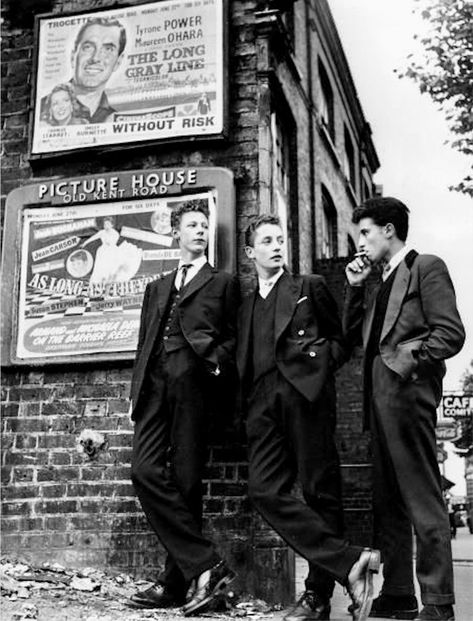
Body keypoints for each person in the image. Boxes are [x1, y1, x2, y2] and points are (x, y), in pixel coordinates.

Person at [237, 214, 380, 621]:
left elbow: (344, 340)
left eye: (280, 238)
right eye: (267, 241)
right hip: (262, 405)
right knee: (264, 490)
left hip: (306, 398)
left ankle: (317, 597)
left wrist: (318, 375)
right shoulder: (246, 305)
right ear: (251, 253)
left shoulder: (308, 287)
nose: (277, 245)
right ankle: (350, 560)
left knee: (321, 494)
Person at [343, 197, 465, 621]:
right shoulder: (379, 284)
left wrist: (406, 367)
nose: (360, 242)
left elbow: (449, 333)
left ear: (389, 230)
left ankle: (437, 601)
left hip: (407, 398)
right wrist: (356, 289)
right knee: (387, 501)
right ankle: (397, 593)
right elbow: (353, 338)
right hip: (377, 405)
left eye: (365, 232)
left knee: (421, 496)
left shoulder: (425, 266)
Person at [128, 201, 240, 616]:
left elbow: (233, 340)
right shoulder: (157, 286)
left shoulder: (222, 282)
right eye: (191, 225)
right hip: (154, 386)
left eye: (204, 226)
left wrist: (213, 363)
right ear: (176, 233)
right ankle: (207, 563)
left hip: (194, 385)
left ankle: (176, 583)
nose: (199, 231)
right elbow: (144, 344)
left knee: (187, 482)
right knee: (144, 470)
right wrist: (135, 394)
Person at [41, 17, 126, 124]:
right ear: (73, 56)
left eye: (108, 49)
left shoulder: (116, 120)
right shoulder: (42, 109)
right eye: (88, 47)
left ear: (118, 62)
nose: (96, 58)